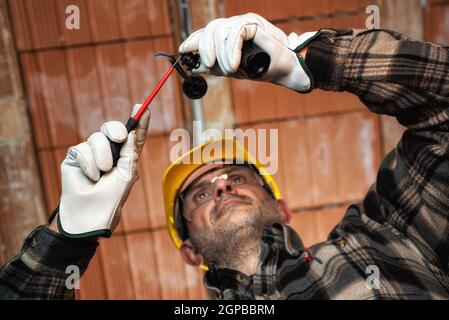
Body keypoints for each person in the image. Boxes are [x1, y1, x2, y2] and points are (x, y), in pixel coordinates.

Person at [1, 13, 448, 299]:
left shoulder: (389, 239)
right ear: (190, 250)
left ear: (282, 207)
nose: (221, 185)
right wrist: (66, 240)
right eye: (198, 195)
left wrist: (313, 60)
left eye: (238, 175)